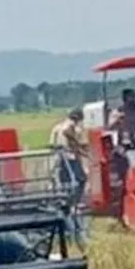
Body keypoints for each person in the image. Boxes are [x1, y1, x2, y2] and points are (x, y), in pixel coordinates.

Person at [49, 106, 90, 250]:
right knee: (80, 181)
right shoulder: (72, 127)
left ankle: (68, 205)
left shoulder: (56, 127)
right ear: (78, 118)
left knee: (64, 187)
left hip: (58, 161)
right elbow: (74, 139)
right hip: (70, 160)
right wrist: (80, 148)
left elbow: (51, 145)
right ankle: (73, 205)